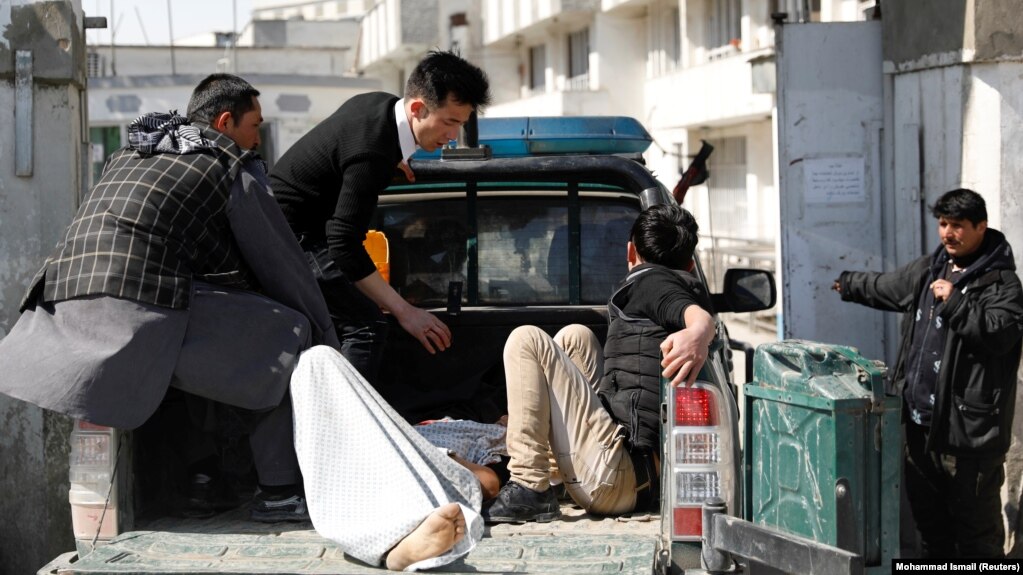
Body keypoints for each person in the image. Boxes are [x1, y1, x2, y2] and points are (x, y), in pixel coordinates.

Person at [0, 74, 338, 523]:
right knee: (283, 335)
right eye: (255, 126)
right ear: (224, 122)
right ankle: (279, 493)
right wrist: (327, 337)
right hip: (138, 304)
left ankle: (200, 481)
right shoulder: (227, 162)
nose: (257, 140)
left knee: (194, 350)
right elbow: (282, 265)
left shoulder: (132, 151)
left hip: (62, 297)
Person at [483, 204, 717, 522]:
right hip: (638, 479)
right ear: (690, 264)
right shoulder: (676, 284)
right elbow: (693, 308)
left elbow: (696, 316)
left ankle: (530, 484)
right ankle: (555, 477)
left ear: (630, 252)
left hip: (614, 479)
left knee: (527, 340)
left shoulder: (653, 284)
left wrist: (699, 334)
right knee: (575, 338)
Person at [270, 50, 491, 383]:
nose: (452, 136)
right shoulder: (373, 150)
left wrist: (391, 159)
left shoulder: (381, 107)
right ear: (418, 108)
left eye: (461, 124)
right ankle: (346, 430)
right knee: (367, 325)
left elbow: (351, 152)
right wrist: (405, 311)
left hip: (290, 228)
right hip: (289, 238)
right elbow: (343, 243)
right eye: (449, 122)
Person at [833, 188, 1023, 558]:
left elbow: (999, 335)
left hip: (969, 441)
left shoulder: (1003, 284)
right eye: (943, 224)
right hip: (921, 431)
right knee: (932, 533)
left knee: (976, 540)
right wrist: (848, 283)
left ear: (981, 227)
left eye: (958, 226)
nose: (948, 233)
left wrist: (955, 302)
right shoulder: (930, 269)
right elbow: (887, 287)